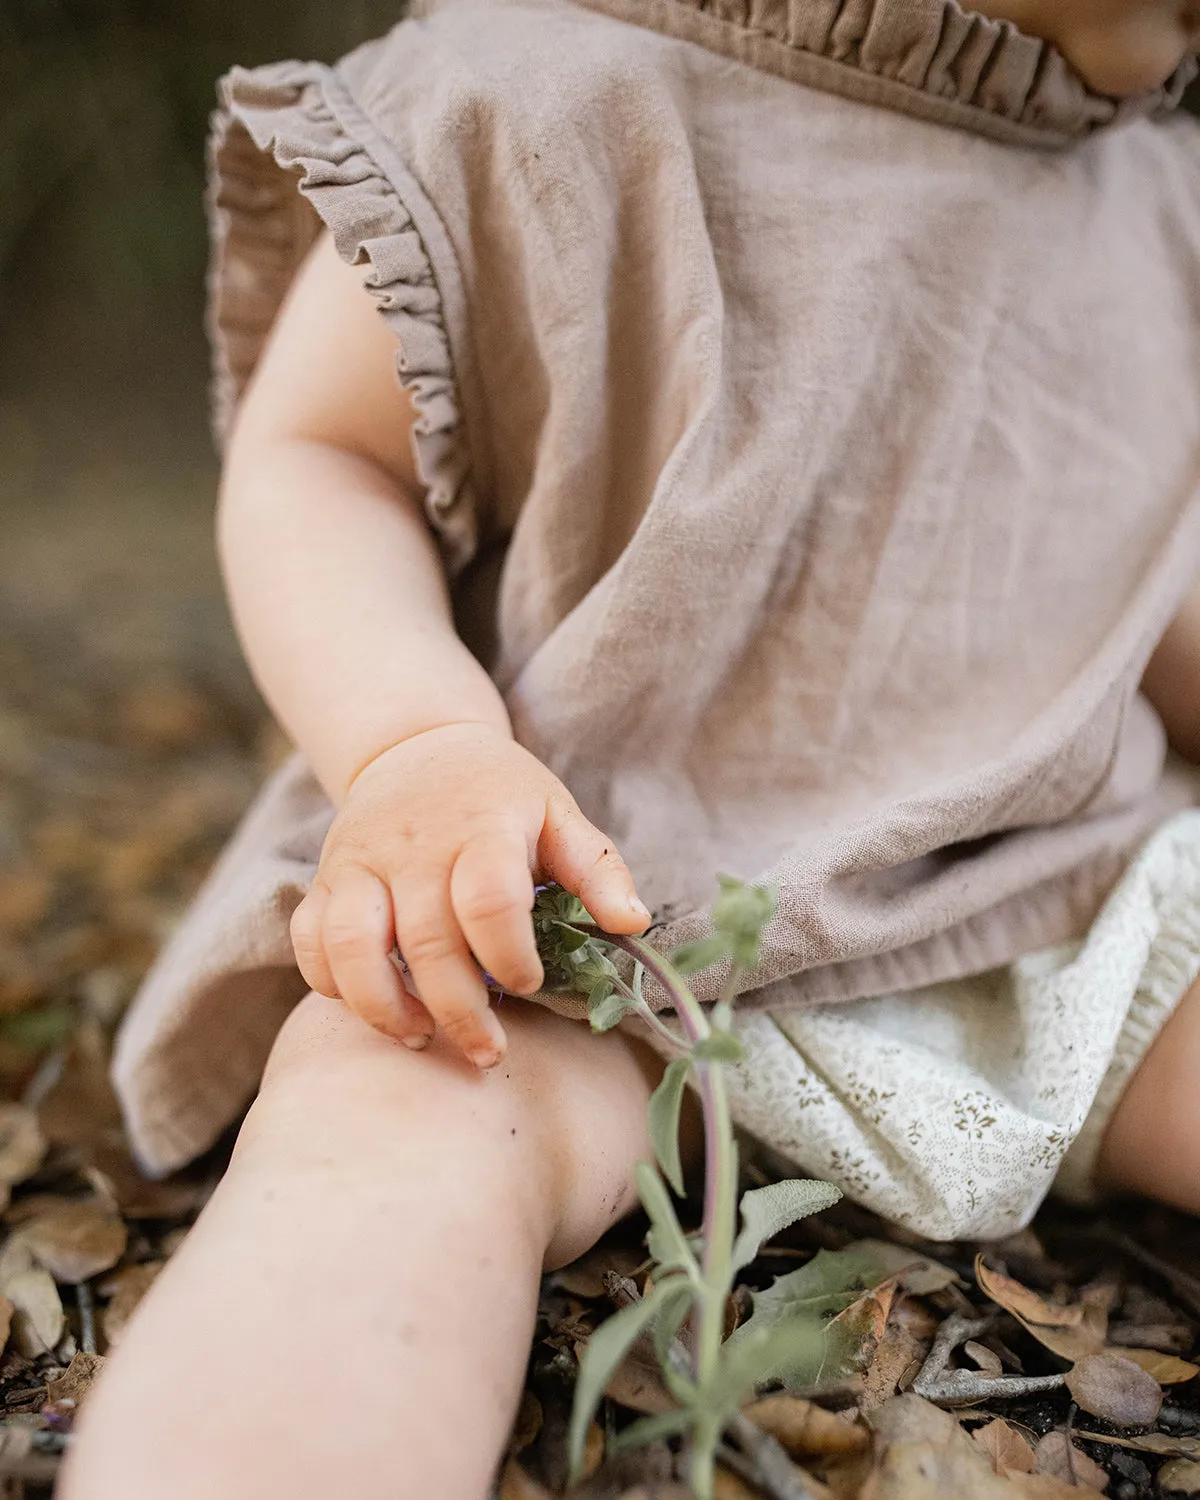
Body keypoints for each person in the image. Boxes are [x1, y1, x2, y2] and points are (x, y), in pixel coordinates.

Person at [61, 0, 1200, 1494]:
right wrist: (414, 743)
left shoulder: (1150, 196)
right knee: (393, 1130)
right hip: (583, 913)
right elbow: (322, 460)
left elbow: (1149, 590)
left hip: (1054, 895)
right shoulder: (531, 91)